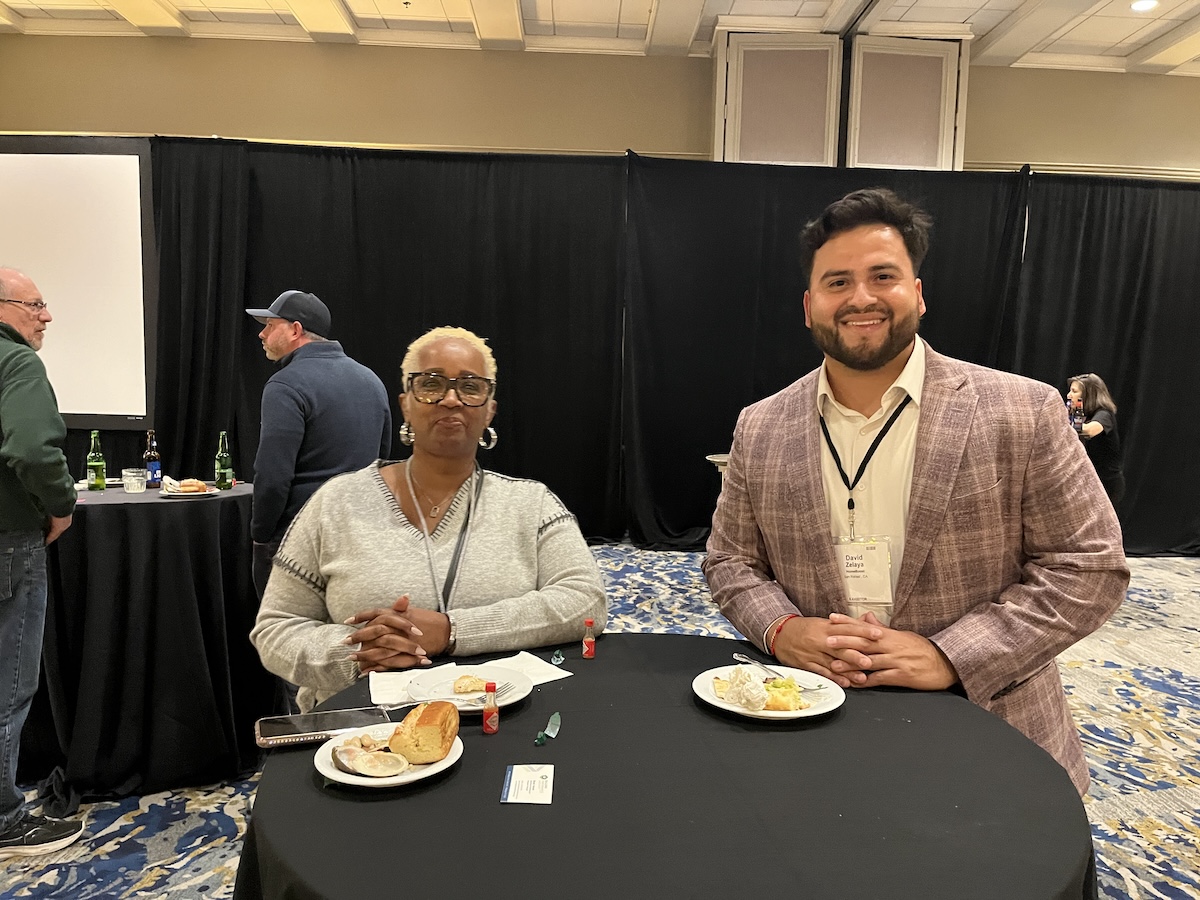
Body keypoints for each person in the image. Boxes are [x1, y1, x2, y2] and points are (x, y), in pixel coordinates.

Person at [702, 189, 1128, 795]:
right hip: (809, 730)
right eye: (837, 282)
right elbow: (730, 561)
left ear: (919, 294)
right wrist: (781, 630)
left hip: (990, 735)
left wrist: (953, 655)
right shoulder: (761, 424)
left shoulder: (1022, 410)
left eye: (883, 276)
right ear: (808, 305)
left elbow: (1090, 566)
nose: (861, 298)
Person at [250, 326, 607, 713]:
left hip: (502, 723)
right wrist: (361, 652)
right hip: (362, 739)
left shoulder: (530, 504)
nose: (450, 399)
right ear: (405, 404)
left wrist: (453, 631)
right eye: (431, 383)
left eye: (470, 387)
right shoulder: (336, 503)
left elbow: (585, 601)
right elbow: (276, 629)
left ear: (490, 409)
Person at [0, 267, 83, 859]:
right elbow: (31, 446)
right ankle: (5, 820)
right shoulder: (17, 364)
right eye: (36, 304)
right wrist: (60, 505)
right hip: (7, 538)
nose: (46, 315)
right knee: (8, 685)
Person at [244, 290, 392, 599]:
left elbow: (273, 477)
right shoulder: (372, 381)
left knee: (287, 639)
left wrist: (261, 536)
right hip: (359, 538)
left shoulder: (285, 384)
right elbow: (382, 462)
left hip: (298, 540)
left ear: (295, 330)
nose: (262, 333)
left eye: (271, 325)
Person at [1067, 373, 1125, 506]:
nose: (1069, 395)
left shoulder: (1104, 414)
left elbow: (1088, 431)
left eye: (1074, 391)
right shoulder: (1082, 415)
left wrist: (1075, 414)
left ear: (1088, 395)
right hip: (1088, 481)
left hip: (1107, 484)